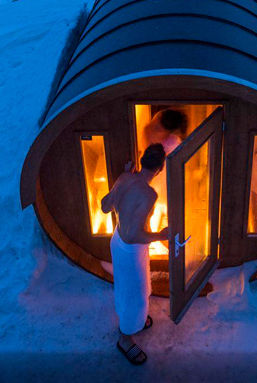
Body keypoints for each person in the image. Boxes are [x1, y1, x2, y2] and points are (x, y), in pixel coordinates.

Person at [100, 144, 169, 366]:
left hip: (117, 242)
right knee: (135, 296)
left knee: (128, 286)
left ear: (141, 160)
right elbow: (133, 235)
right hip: (130, 249)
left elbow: (104, 206)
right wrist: (161, 235)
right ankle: (125, 338)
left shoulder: (125, 177)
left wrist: (121, 182)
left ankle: (134, 319)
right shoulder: (149, 194)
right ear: (160, 169)